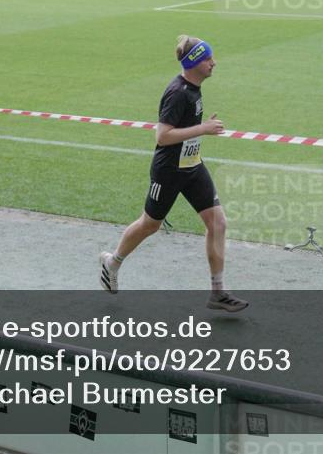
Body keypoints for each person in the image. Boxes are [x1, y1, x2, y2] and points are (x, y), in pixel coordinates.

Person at [99, 36, 248, 312]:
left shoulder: (194, 88)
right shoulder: (177, 93)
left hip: (192, 166)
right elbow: (163, 136)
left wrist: (201, 129)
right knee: (150, 224)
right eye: (208, 59)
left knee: (217, 223)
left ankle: (218, 292)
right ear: (194, 62)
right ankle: (113, 262)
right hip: (169, 171)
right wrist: (203, 129)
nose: (214, 63)